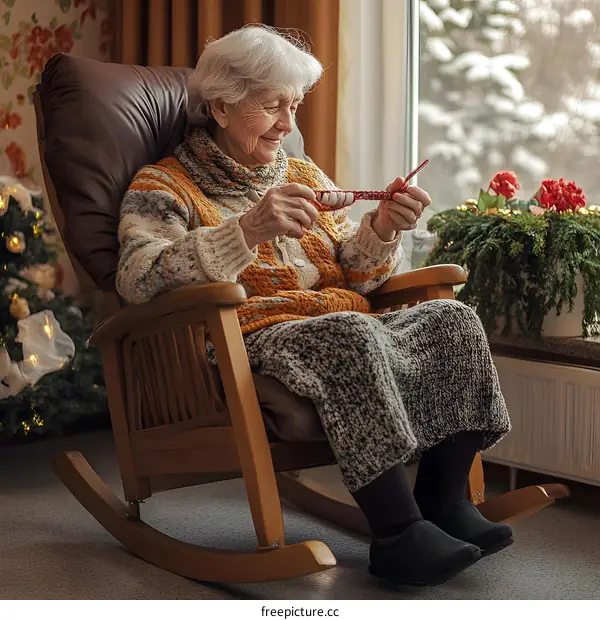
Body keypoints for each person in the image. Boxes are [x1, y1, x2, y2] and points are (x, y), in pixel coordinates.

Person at [116, 25, 512, 587]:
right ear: (221, 107)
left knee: (453, 320)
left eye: (295, 107)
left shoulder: (301, 175)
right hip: (250, 336)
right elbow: (138, 279)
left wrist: (379, 230)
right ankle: (397, 533)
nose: (289, 124)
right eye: (273, 106)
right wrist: (246, 231)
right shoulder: (165, 186)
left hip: (341, 321)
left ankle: (443, 502)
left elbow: (362, 274)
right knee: (348, 331)